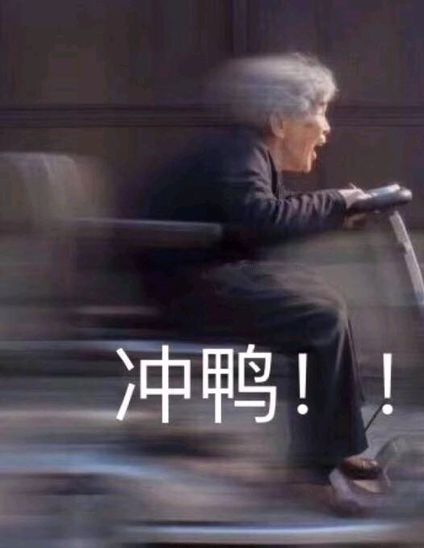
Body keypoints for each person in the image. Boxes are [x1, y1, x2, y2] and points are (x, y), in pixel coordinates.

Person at [140, 53, 381, 503]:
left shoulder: (243, 150)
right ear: (278, 121)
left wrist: (337, 211)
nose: (326, 129)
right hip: (184, 287)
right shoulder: (240, 151)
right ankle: (310, 474)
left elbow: (270, 215)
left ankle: (334, 447)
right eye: (319, 113)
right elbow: (261, 219)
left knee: (321, 300)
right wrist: (336, 204)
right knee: (318, 315)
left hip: (195, 275)